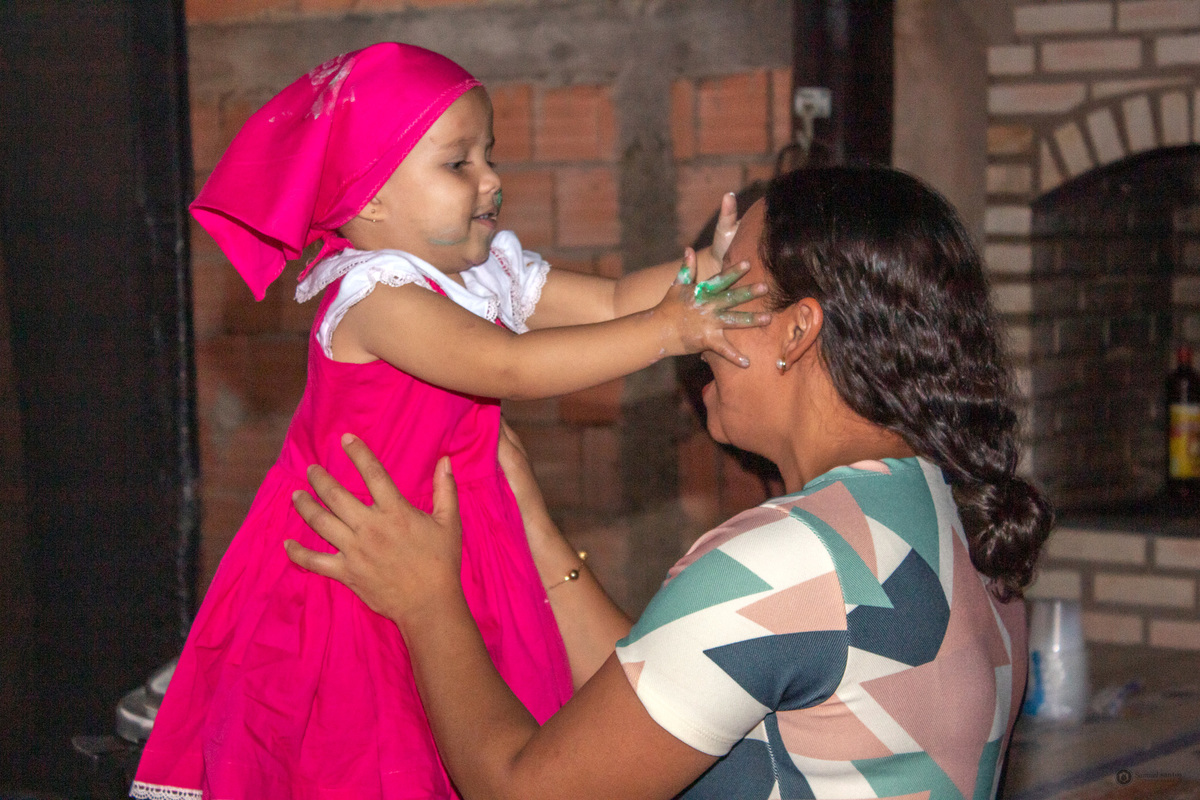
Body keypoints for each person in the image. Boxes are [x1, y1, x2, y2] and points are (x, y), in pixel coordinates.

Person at [286, 165, 1056, 800]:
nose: (692, 316)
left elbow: (525, 789)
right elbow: (672, 693)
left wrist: (427, 603)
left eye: (728, 287)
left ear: (797, 330)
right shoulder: (953, 524)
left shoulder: (795, 556)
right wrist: (536, 530)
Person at [131, 42, 768, 800]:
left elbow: (610, 300)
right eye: (458, 163)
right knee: (374, 753)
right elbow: (508, 367)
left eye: (489, 155)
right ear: (369, 197)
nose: (491, 179)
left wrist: (713, 275)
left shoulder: (481, 271)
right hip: (366, 567)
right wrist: (668, 332)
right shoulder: (376, 298)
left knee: (474, 726)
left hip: (458, 543)